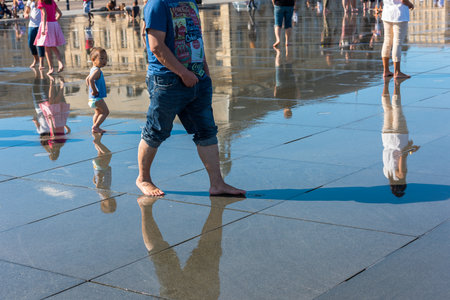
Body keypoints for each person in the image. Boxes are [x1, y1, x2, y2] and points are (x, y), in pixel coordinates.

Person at [137, 0, 246, 197]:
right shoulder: (157, 4)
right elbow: (156, 46)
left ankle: (217, 183)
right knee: (156, 130)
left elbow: (196, 38)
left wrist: (205, 70)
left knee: (206, 131)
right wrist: (182, 73)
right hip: (167, 79)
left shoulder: (189, 3)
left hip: (198, 78)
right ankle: (143, 178)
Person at [381, 77, 419, 197]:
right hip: (386, 137)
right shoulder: (387, 174)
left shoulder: (401, 175)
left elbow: (402, 154)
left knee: (397, 108)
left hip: (399, 137)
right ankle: (385, 85)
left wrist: (411, 147)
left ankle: (396, 85)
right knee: (387, 109)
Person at [381, 0, 414, 78]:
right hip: (399, 13)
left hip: (387, 13)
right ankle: (397, 72)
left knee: (387, 42)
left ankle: (386, 70)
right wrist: (410, 4)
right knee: (397, 43)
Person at [34, 0, 65, 75]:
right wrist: (54, 21)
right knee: (53, 46)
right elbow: (60, 13)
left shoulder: (41, 2)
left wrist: (44, 28)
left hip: (46, 24)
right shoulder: (52, 1)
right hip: (54, 24)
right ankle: (60, 63)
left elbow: (44, 15)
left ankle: (51, 68)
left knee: (47, 48)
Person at [85, 47, 109, 134]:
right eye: (101, 58)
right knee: (105, 112)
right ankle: (96, 126)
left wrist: (90, 90)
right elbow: (90, 79)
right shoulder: (97, 71)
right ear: (93, 59)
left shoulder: (92, 69)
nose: (104, 61)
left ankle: (95, 127)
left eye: (106, 59)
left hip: (91, 98)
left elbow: (87, 79)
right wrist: (94, 90)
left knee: (98, 113)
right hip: (97, 98)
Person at [24, 0, 46, 69]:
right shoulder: (29, 2)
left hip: (40, 24)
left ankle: (41, 62)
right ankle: (36, 59)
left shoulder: (41, 1)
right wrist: (26, 14)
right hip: (32, 25)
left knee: (40, 44)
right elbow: (26, 11)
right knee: (30, 43)